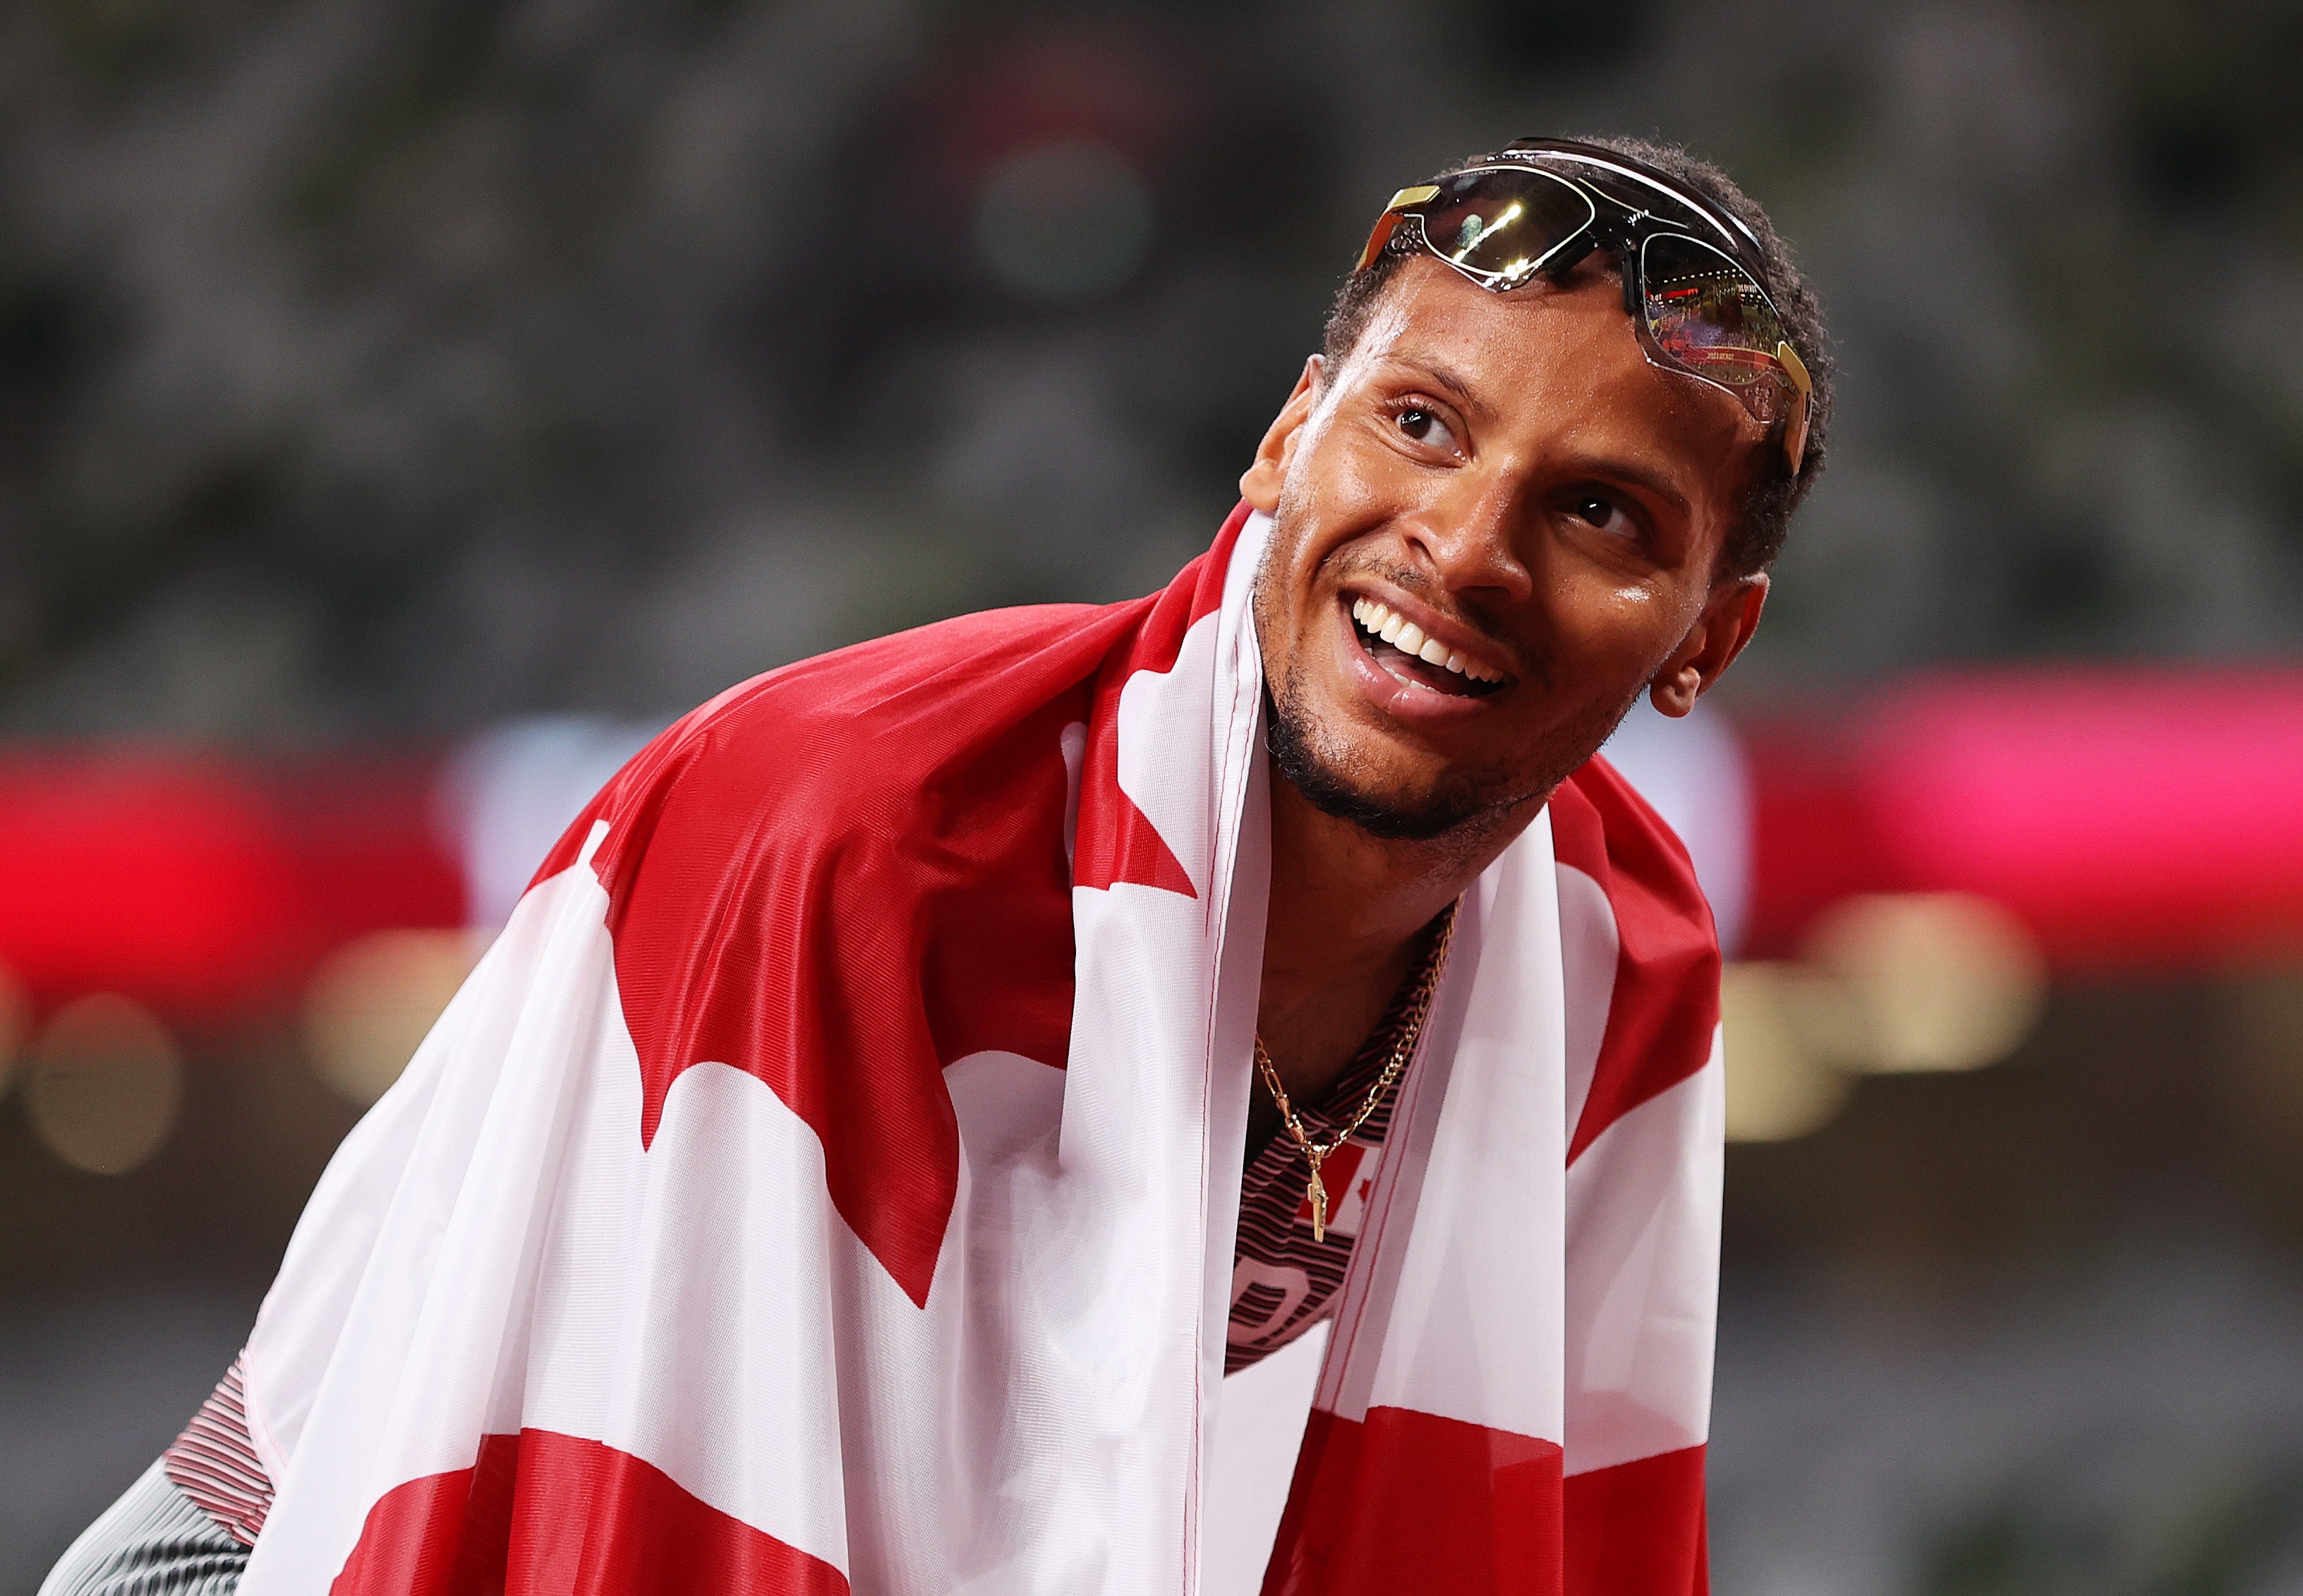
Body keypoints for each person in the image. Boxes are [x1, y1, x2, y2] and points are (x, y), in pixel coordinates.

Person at [45, 134, 1830, 1596]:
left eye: (1600, 511)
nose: (1465, 546)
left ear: (1707, 638)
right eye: (1419, 424)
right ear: (1290, 438)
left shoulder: (1622, 953)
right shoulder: (849, 831)